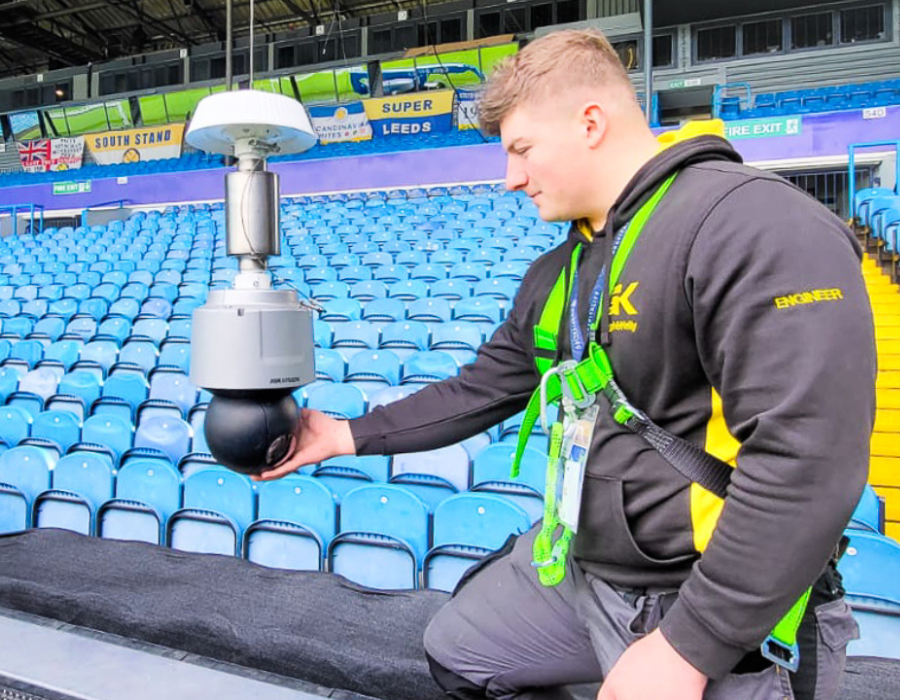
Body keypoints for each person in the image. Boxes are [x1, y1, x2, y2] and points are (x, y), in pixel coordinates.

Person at [257, 28, 876, 700]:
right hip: (590, 579)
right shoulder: (561, 270)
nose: (510, 178)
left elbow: (808, 461)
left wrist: (688, 647)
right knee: (460, 650)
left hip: (712, 602)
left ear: (590, 123)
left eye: (522, 149)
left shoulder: (751, 222)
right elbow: (481, 387)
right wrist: (343, 434)